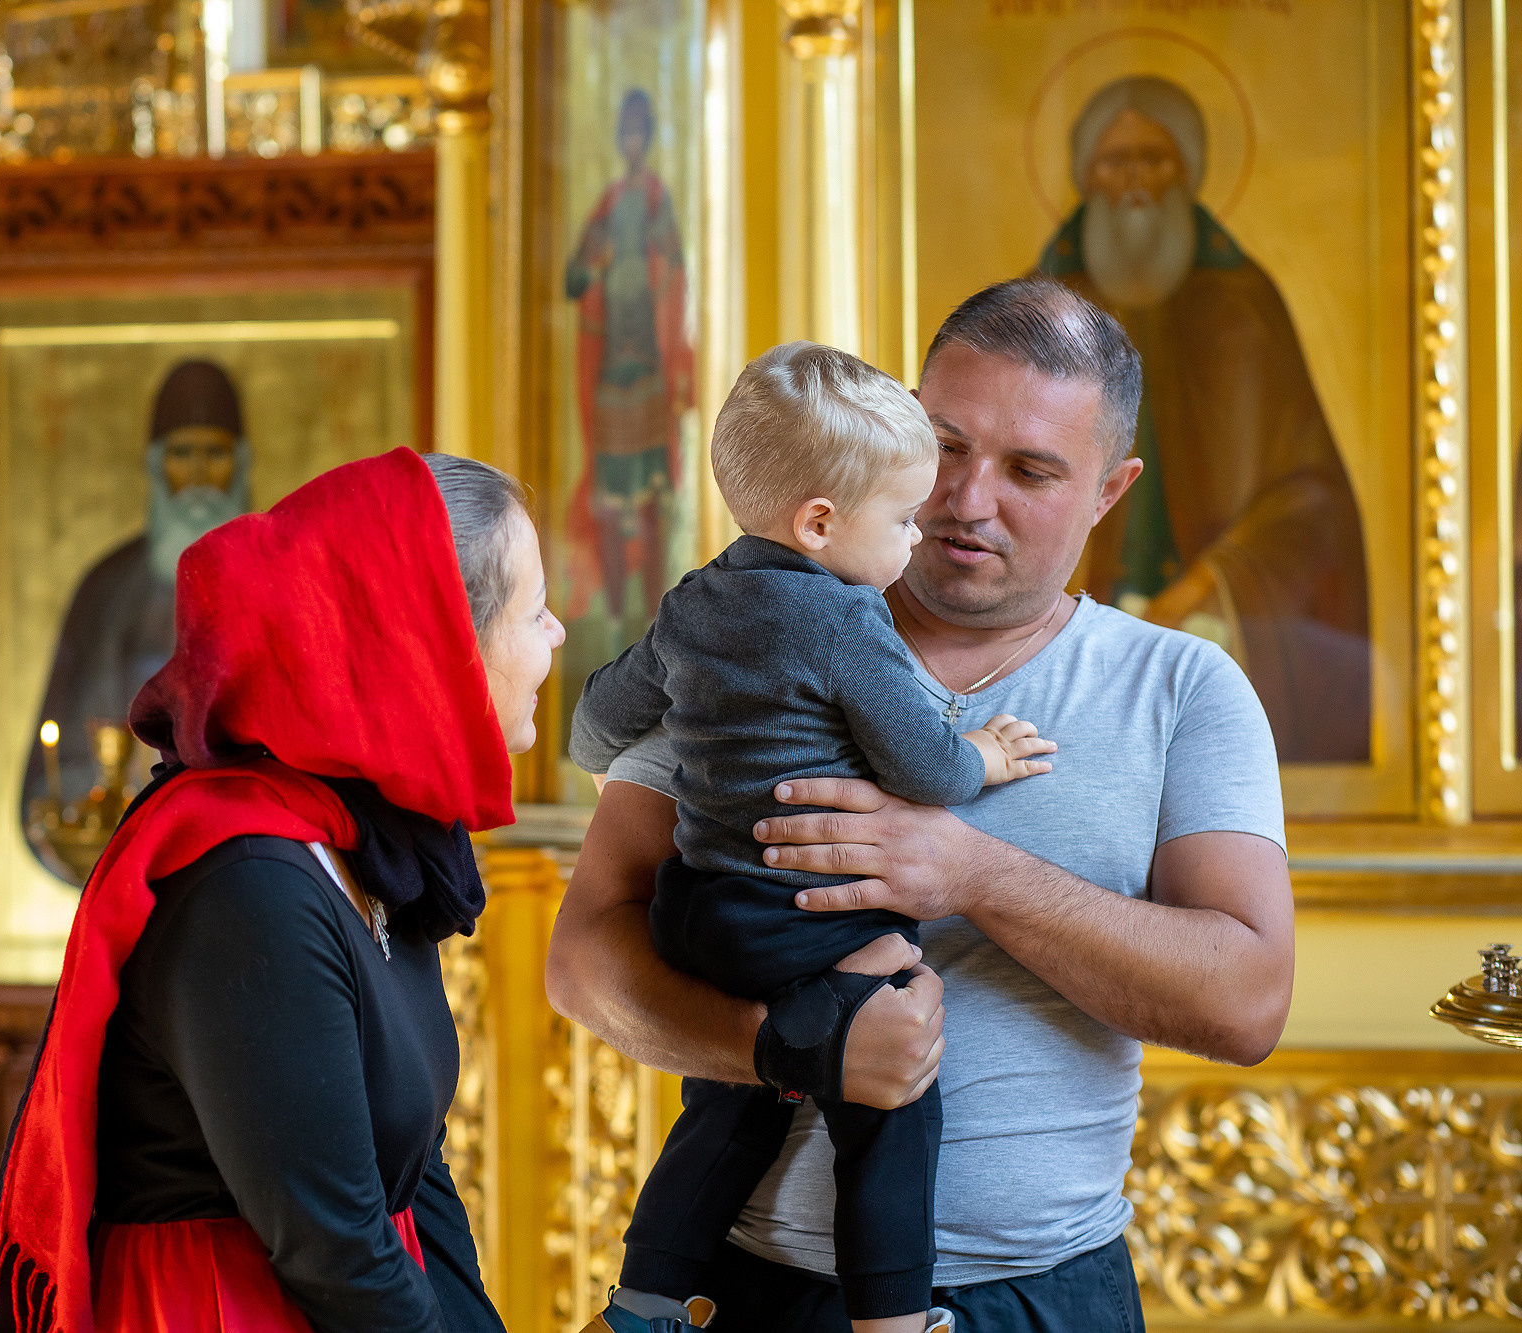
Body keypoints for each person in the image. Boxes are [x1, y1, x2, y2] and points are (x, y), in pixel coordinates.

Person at [550, 278, 1295, 1333]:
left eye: (1030, 469)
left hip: (1048, 1295)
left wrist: (973, 874)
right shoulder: (748, 637)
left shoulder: (1181, 688)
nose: (965, 498)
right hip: (754, 1293)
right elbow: (583, 964)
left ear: (1108, 490)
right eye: (943, 445)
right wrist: (783, 1045)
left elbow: (1246, 1002)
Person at [0, 447, 564, 1333]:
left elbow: (414, 1168)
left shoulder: (374, 841)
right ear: (441, 646)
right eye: (537, 610)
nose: (558, 635)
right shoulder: (251, 891)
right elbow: (334, 1249)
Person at [569, 343, 1055, 1332]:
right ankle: (890, 1320)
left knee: (726, 1099)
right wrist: (988, 759)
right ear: (820, 523)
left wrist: (609, 767)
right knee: (890, 1109)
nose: (918, 538)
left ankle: (644, 1298)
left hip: (701, 917)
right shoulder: (845, 619)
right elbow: (921, 765)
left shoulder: (690, 601)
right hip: (801, 924)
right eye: (902, 518)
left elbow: (593, 724)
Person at [1039, 76, 1369, 762]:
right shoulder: (1041, 311)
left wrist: (1208, 584)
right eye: (1114, 161)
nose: (1134, 182)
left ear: (1188, 174)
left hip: (1225, 628)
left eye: (1153, 159)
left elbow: (1311, 494)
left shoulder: (1242, 306)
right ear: (1083, 177)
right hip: (1072, 633)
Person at [21, 359, 254, 883]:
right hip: (130, 850)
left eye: (214, 453)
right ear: (155, 465)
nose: (197, 475)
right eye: (181, 454)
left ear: (241, 463)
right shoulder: (107, 588)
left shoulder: (282, 574)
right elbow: (54, 776)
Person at [563, 87, 695, 632]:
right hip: (611, 369)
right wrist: (597, 266)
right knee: (610, 500)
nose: (634, 140)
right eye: (627, 130)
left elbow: (679, 274)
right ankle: (616, 618)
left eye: (642, 129)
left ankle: (655, 615)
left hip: (651, 369)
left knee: (652, 497)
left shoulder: (658, 200)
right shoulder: (610, 204)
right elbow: (573, 278)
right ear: (619, 138)